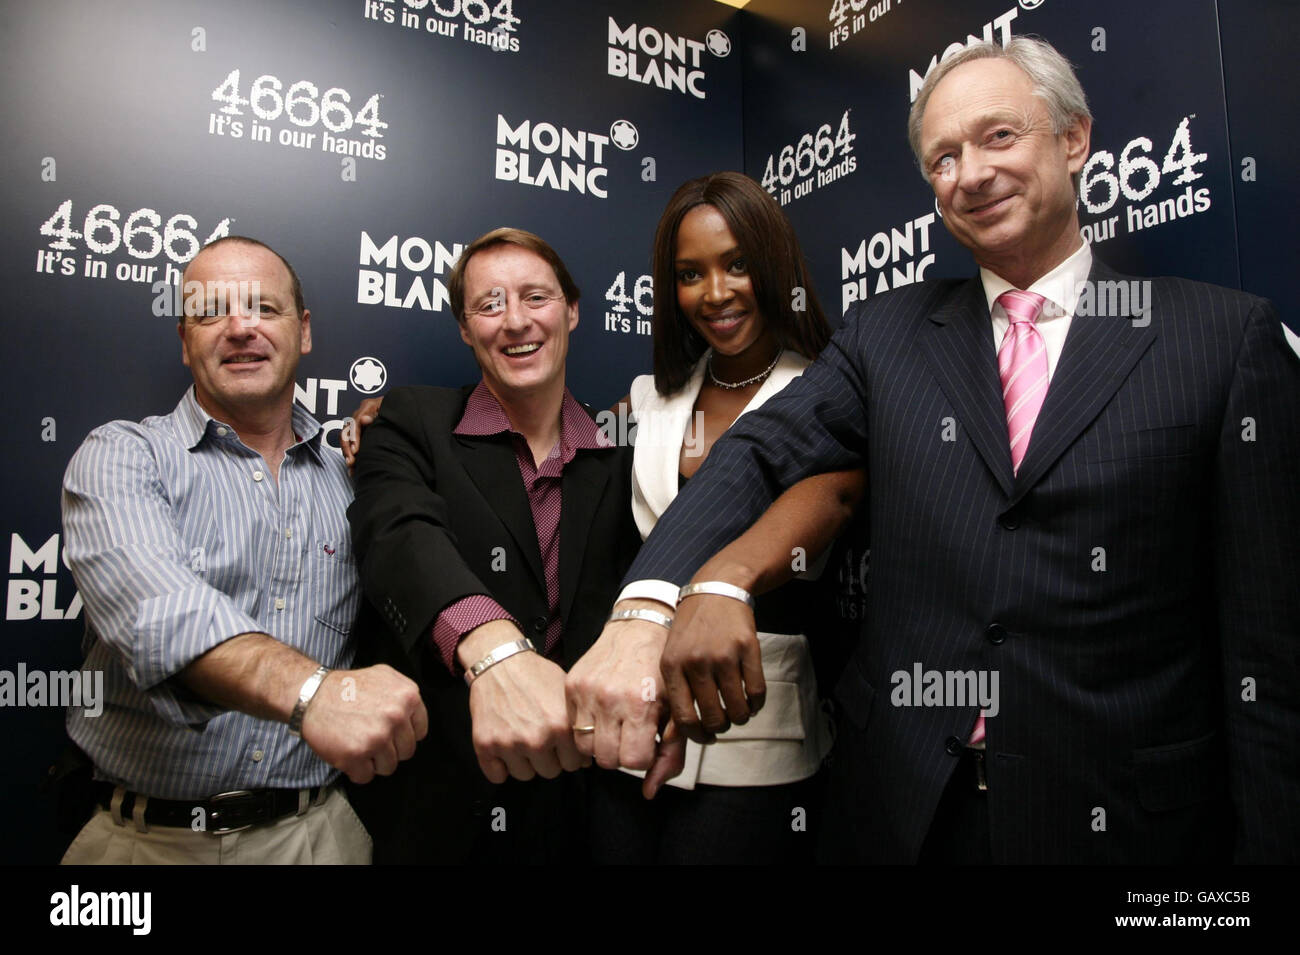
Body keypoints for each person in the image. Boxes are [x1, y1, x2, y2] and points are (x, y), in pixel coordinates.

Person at [583, 37, 1300, 863]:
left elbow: (1269, 658)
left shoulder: (1221, 337)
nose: (971, 173)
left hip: (1125, 819)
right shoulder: (886, 336)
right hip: (902, 813)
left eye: (999, 137)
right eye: (943, 158)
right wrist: (650, 605)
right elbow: (759, 452)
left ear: (1073, 139)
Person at [60, 236, 427, 865]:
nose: (240, 328)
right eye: (211, 312)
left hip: (319, 837)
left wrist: (396, 440)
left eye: (263, 307)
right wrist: (317, 695)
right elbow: (164, 618)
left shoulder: (356, 474)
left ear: (303, 332)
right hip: (145, 844)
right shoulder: (121, 455)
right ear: (184, 340)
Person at [567, 172, 864, 863]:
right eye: (689, 274)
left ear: (775, 263)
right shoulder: (650, 399)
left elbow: (833, 503)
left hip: (758, 732)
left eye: (737, 264)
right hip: (631, 725)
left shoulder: (831, 392)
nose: (716, 293)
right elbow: (553, 448)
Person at [344, 227, 641, 863]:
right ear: (462, 327)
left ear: (573, 310)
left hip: (590, 809)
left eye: (536, 297)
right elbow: (396, 532)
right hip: (443, 809)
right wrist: (494, 651)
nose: (515, 322)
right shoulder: (411, 420)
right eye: (488, 304)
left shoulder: (624, 453)